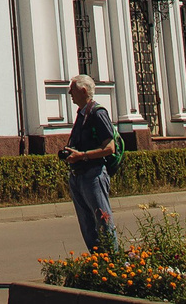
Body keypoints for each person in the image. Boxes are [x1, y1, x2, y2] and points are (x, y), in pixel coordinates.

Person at [57, 75, 119, 254]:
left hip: (94, 174)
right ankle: (97, 261)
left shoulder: (98, 113)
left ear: (83, 90)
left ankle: (113, 261)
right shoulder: (82, 114)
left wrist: (82, 156)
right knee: (86, 223)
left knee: (103, 219)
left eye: (72, 89)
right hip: (78, 175)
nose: (69, 93)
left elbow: (109, 148)